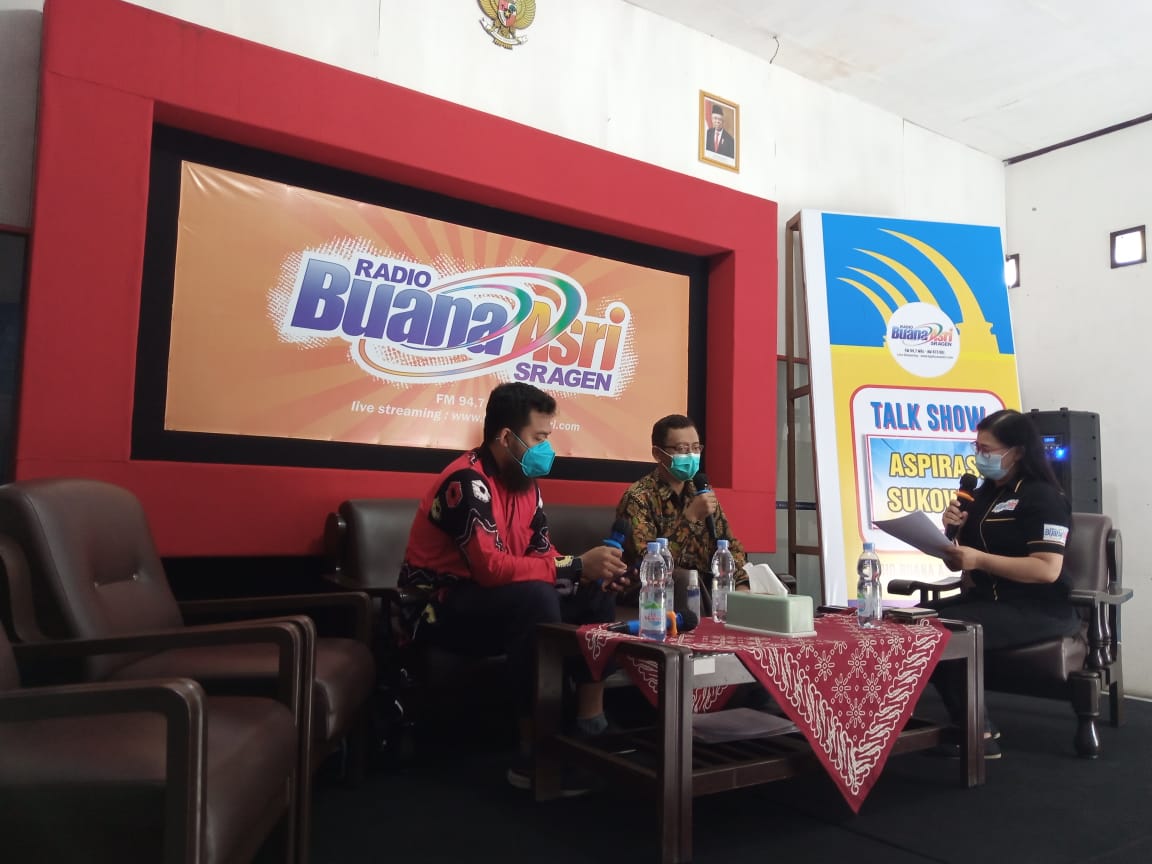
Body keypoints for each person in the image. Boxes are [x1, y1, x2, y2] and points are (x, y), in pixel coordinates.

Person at [398, 382, 628, 788]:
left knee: (593, 590)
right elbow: (489, 568)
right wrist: (576, 564)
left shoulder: (525, 484)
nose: (546, 449)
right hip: (437, 609)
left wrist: (587, 572)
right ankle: (536, 750)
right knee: (536, 598)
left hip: (492, 602)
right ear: (507, 436)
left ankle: (590, 725)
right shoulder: (466, 482)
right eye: (539, 438)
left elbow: (543, 554)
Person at [930, 408, 1080, 759]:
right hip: (988, 602)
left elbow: (1047, 569)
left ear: (1018, 452)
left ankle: (978, 733)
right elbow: (961, 559)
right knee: (914, 621)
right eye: (976, 447)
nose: (979, 456)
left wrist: (980, 560)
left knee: (948, 632)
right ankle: (964, 725)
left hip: (1040, 608)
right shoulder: (982, 495)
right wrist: (951, 533)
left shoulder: (1043, 497)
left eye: (987, 449)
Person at [615, 414, 750, 600]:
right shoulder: (638, 498)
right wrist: (690, 518)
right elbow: (648, 565)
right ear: (657, 454)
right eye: (682, 449)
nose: (691, 455)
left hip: (706, 588)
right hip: (653, 591)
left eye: (695, 448)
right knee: (686, 580)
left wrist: (742, 585)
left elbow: (728, 545)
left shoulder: (701, 491)